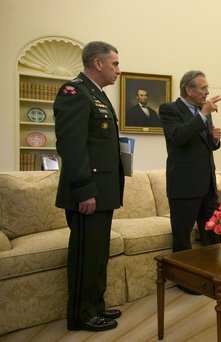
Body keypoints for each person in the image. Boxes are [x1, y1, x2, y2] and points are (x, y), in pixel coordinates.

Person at [53, 41, 124, 332]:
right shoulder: (75, 92)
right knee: (85, 256)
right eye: (115, 64)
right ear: (97, 63)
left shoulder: (97, 94)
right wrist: (84, 190)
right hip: (88, 192)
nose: (118, 70)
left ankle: (95, 306)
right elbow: (71, 147)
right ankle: (81, 316)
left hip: (103, 191)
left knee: (98, 254)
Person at [159, 70, 221, 290]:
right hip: (184, 186)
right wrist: (203, 115)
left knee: (213, 234)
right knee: (183, 237)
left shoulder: (203, 112)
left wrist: (215, 140)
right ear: (189, 89)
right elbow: (178, 137)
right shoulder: (169, 109)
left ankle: (213, 276)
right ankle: (184, 281)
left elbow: (205, 147)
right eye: (203, 88)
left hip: (207, 185)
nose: (207, 92)